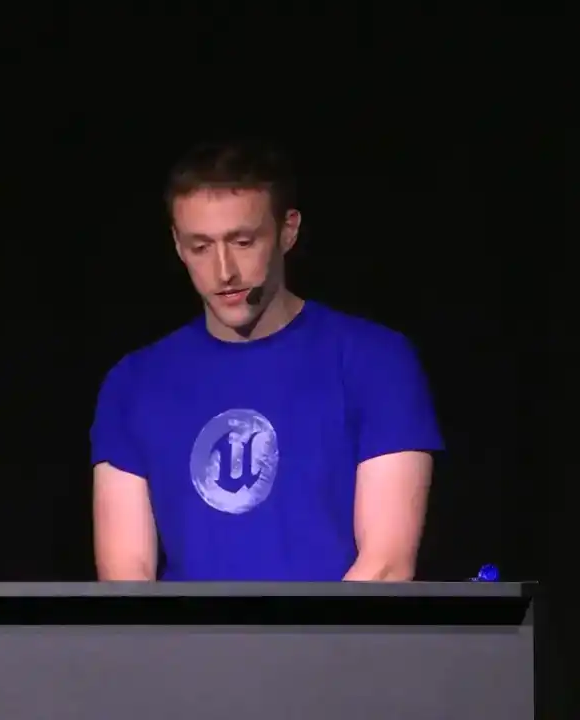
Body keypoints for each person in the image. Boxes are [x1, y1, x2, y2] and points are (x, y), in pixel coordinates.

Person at [90, 139, 444, 581]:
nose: (224, 271)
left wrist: (298, 633)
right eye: (200, 247)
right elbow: (126, 578)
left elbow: (386, 566)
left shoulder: (375, 362)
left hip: (338, 628)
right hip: (188, 631)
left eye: (243, 241)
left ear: (287, 231)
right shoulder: (134, 383)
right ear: (177, 244)